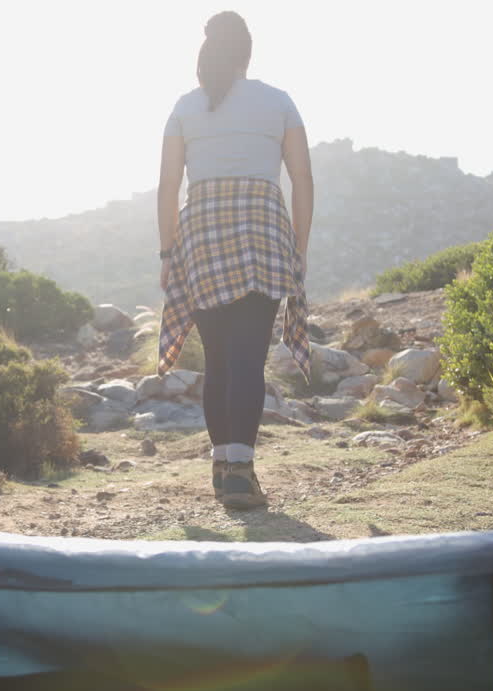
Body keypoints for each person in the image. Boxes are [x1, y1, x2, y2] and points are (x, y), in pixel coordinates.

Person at [157, 10, 313, 511]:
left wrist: (167, 251)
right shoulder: (279, 102)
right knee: (249, 355)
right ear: (247, 53)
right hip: (264, 231)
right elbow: (303, 183)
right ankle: (242, 473)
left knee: (220, 359)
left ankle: (225, 472)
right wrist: (300, 250)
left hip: (200, 233)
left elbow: (167, 188)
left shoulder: (184, 107)